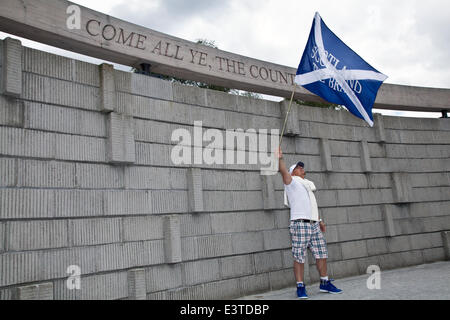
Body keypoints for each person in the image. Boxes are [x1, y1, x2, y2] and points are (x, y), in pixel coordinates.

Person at [276, 147, 342, 299]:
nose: (301, 168)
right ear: (293, 172)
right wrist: (280, 159)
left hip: (313, 224)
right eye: (298, 167)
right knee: (299, 256)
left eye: (302, 167)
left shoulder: (308, 186)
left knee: (322, 253)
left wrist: (319, 221)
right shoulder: (291, 183)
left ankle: (324, 282)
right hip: (300, 224)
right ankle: (300, 286)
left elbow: (311, 206)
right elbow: (283, 171)